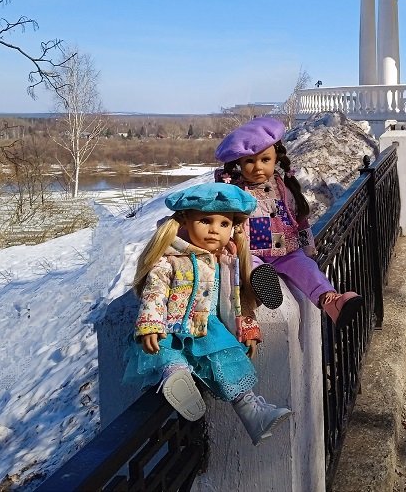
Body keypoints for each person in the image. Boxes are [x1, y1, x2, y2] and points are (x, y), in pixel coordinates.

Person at [123, 183, 292, 446]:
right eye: (205, 221)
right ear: (185, 221)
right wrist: (151, 324)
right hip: (172, 326)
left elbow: (238, 299)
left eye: (224, 224)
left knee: (228, 363)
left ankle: (253, 413)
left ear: (233, 228)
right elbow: (154, 292)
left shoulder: (227, 261)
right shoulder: (170, 259)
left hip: (209, 329)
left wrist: (248, 327)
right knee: (167, 353)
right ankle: (177, 380)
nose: (215, 229)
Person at [214, 117, 363, 329]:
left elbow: (299, 219)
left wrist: (308, 247)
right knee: (250, 266)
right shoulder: (234, 192)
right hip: (250, 251)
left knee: (307, 268)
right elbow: (223, 222)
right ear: (239, 163)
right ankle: (262, 284)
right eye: (249, 161)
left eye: (265, 160)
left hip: (287, 250)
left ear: (276, 158)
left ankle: (331, 301)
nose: (258, 167)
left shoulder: (283, 188)